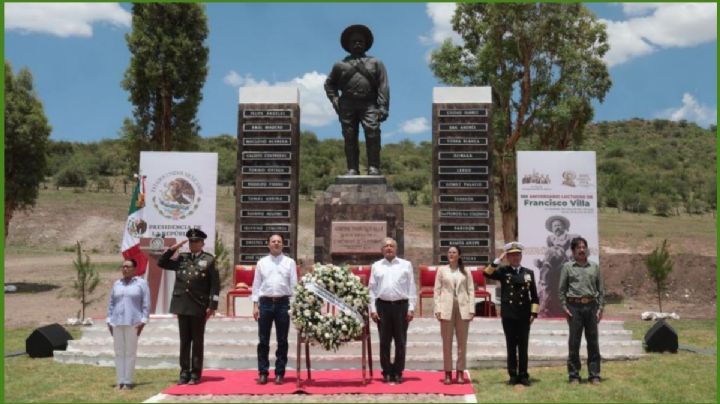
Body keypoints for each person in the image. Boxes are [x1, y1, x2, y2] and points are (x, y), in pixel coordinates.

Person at [324, 24, 390, 176]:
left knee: (373, 133)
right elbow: (329, 84)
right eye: (354, 41)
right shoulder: (339, 65)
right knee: (349, 136)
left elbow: (383, 85)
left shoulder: (376, 63)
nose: (357, 44)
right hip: (347, 105)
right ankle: (352, 168)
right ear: (348, 45)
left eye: (360, 41)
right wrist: (335, 100)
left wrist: (383, 107)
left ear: (366, 43)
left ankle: (374, 167)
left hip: (369, 104)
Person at [157, 228, 220, 385]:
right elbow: (162, 263)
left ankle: (195, 374)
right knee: (184, 341)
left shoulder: (209, 260)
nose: (193, 244)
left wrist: (212, 305)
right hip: (182, 304)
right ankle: (184, 373)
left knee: (197, 341)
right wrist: (174, 248)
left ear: (202, 243)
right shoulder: (182, 258)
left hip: (199, 305)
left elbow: (215, 285)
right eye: (191, 242)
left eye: (196, 241)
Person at [484, 242, 539, 386]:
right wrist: (497, 260)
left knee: (523, 346)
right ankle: (513, 375)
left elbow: (534, 296)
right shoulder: (503, 271)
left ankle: (523, 375)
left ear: (521, 256)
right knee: (511, 345)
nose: (515, 258)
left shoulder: (528, 273)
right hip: (509, 314)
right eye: (512, 255)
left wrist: (533, 314)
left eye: (518, 255)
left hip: (524, 314)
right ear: (508, 257)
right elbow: (486, 273)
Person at [369, 237, 416, 384]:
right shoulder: (376, 266)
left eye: (391, 246)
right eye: (386, 246)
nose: (389, 248)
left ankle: (398, 371)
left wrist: (411, 308)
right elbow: (371, 289)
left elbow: (411, 287)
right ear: (382, 249)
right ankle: (387, 372)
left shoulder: (406, 265)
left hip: (401, 307)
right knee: (384, 341)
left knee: (400, 341)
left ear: (396, 248)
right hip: (382, 307)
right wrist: (372, 309)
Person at [252, 234, 298, 385]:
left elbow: (294, 286)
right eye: (273, 241)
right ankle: (263, 372)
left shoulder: (290, 262)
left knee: (282, 340)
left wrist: (294, 306)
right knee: (263, 340)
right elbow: (256, 285)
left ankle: (280, 373)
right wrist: (255, 305)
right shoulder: (262, 263)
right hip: (265, 303)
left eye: (279, 241)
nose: (276, 244)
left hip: (283, 304)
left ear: (283, 245)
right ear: (268, 244)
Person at [558, 237, 605, 385]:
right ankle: (574, 375)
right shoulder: (567, 267)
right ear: (573, 251)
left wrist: (600, 308)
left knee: (593, 341)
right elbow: (561, 290)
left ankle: (594, 374)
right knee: (574, 342)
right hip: (574, 308)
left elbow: (601, 290)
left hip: (591, 307)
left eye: (584, 247)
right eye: (578, 247)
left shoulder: (594, 267)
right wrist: (565, 308)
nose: (582, 250)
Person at [433, 245, 475, 385]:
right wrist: (437, 309)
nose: (451, 254)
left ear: (459, 255)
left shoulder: (466, 271)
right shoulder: (442, 270)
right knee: (447, 343)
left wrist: (471, 309)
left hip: (462, 308)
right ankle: (448, 373)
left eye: (454, 252)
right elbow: (437, 291)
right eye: (449, 252)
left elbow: (471, 290)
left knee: (462, 343)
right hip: (446, 308)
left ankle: (460, 372)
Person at [106, 259, 150, 390]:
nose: (124, 269)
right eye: (123, 266)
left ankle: (128, 381)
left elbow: (146, 303)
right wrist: (109, 320)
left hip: (133, 322)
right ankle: (120, 380)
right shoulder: (117, 284)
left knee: (130, 352)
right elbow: (111, 303)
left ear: (134, 269)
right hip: (117, 322)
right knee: (119, 352)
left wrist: (143, 321)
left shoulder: (141, 284)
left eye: (128, 266)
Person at [535, 215, 580, 317]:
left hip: (566, 264)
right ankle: (544, 304)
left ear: (564, 227)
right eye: (554, 226)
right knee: (545, 270)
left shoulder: (572, 237)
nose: (557, 227)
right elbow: (549, 255)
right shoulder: (550, 239)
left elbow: (579, 249)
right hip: (554, 266)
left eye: (559, 225)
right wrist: (540, 262)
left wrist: (570, 254)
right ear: (551, 228)